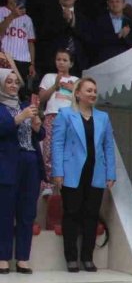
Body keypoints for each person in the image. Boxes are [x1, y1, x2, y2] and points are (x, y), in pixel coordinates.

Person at [51, 77, 116, 272]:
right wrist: (58, 171)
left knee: (91, 214)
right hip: (72, 172)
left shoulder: (103, 117)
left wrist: (110, 173)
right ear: (77, 93)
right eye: (89, 90)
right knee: (72, 214)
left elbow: (108, 146)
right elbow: (57, 144)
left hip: (95, 172)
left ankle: (87, 257)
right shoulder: (65, 114)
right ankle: (71, 258)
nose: (93, 94)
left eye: (95, 91)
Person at [0, 68, 42, 273]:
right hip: (8, 162)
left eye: (16, 82)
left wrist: (36, 125)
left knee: (27, 212)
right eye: (9, 82)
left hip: (30, 160)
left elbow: (39, 134)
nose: (14, 85)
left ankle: (23, 257)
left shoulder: (26, 106)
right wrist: (18, 118)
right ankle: (3, 257)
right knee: (5, 212)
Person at [36, 49, 77, 195]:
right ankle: (47, 184)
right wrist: (55, 86)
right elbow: (41, 98)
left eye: (65, 60)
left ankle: (64, 183)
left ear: (71, 63)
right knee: (48, 150)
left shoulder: (76, 80)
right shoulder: (49, 77)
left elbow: (83, 102)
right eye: (58, 59)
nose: (61, 62)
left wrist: (73, 90)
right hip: (52, 115)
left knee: (67, 150)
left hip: (70, 118)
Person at [0, 0, 36, 91]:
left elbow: (30, 43)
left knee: (18, 91)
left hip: (23, 60)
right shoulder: (1, 11)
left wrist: (32, 64)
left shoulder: (28, 19)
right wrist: (12, 15)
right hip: (4, 58)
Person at [92, 0, 132, 64]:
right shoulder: (100, 21)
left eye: (117, 1)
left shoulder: (130, 22)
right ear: (108, 4)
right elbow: (97, 41)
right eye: (111, 2)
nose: (114, 4)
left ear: (124, 4)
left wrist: (125, 37)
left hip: (124, 61)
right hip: (105, 60)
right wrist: (119, 35)